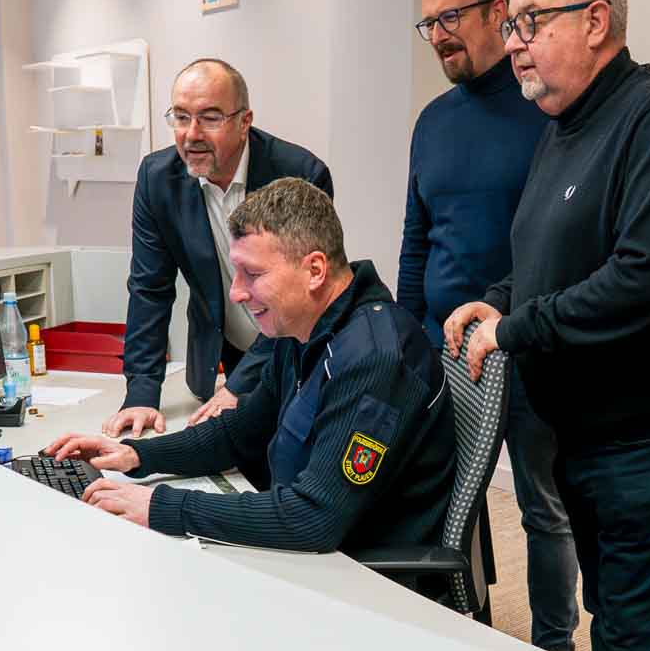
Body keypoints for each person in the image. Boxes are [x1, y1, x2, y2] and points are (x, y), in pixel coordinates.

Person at [444, 0, 650, 651]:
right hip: (580, 441)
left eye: (532, 23)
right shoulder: (562, 129)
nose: (516, 45)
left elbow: (644, 278)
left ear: (596, 20)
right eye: (513, 29)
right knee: (610, 628)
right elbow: (542, 257)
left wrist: (517, 327)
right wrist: (498, 297)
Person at [49, 178, 456, 566]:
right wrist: (137, 455)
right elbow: (240, 433)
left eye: (254, 274)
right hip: (313, 546)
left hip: (360, 577)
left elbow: (315, 519)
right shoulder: (300, 330)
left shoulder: (374, 358)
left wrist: (161, 506)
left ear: (315, 270)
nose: (236, 292)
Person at [399, 0, 578, 651]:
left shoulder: (547, 110)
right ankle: (469, 629)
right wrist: (412, 337)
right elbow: (416, 241)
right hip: (447, 352)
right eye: (428, 23)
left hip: (528, 345)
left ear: (497, 13)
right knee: (453, 502)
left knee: (545, 510)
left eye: (450, 17)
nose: (439, 34)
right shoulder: (432, 123)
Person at [107, 58, 332, 450]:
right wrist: (142, 393)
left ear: (244, 121)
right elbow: (150, 289)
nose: (191, 134)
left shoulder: (299, 175)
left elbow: (300, 301)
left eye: (210, 118)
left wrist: (243, 385)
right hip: (217, 361)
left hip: (290, 356)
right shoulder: (157, 179)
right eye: (180, 117)